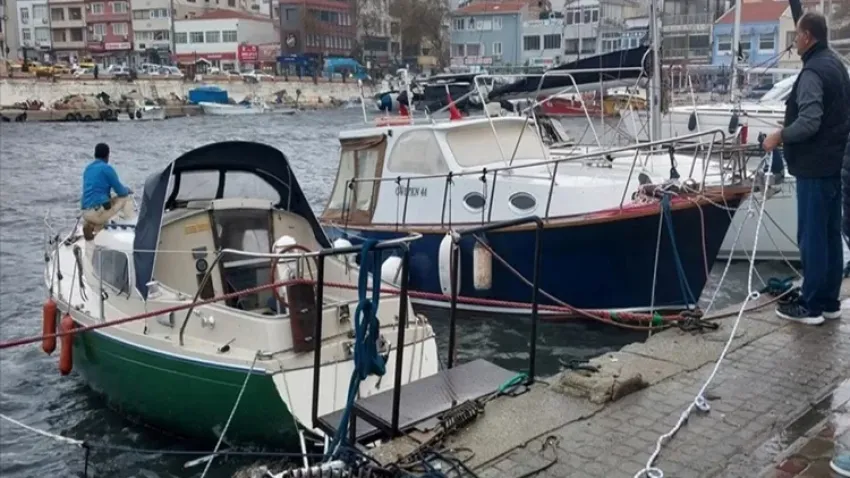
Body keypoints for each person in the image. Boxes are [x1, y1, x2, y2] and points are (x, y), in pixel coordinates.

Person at [763, 12, 850, 325]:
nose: (795, 41)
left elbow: (811, 122)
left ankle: (810, 305)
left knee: (812, 237)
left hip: (814, 168)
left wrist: (780, 135)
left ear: (807, 36)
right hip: (834, 164)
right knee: (830, 235)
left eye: (797, 35)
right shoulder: (837, 66)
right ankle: (829, 301)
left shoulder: (813, 72)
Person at [80, 143, 134, 240]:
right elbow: (121, 192)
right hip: (97, 213)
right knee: (126, 198)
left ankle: (92, 227)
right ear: (108, 155)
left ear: (95, 154)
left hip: (85, 212)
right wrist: (127, 190)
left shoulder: (88, 169)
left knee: (108, 199)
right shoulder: (107, 168)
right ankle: (132, 227)